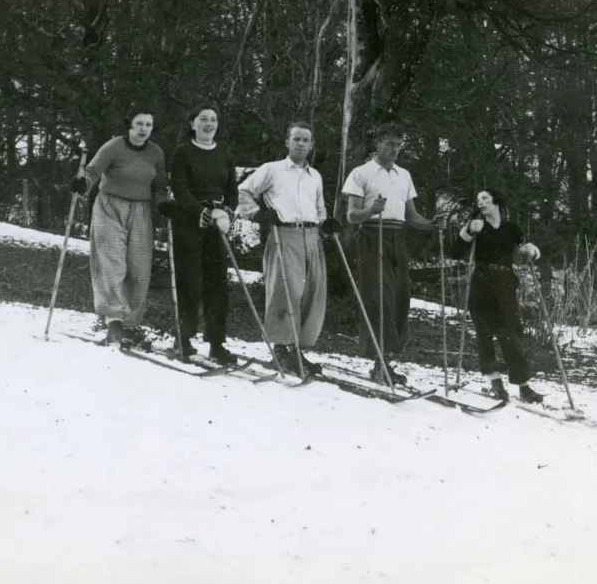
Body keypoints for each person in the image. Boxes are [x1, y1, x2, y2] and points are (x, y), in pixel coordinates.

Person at [342, 122, 445, 385]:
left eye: (399, 145)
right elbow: (352, 216)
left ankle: (386, 360)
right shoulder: (361, 173)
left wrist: (433, 224)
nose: (395, 149)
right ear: (377, 143)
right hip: (372, 236)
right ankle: (379, 363)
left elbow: (412, 216)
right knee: (379, 298)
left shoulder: (404, 175)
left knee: (399, 297)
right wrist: (369, 210)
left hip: (397, 238)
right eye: (390, 144)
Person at [237, 122, 340, 376]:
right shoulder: (271, 169)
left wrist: (326, 223)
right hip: (284, 233)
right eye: (296, 139)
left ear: (312, 145)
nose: (301, 144)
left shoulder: (314, 176)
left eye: (306, 140)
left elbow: (318, 207)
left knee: (311, 292)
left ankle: (297, 349)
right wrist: (258, 214)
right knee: (286, 290)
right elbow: (243, 191)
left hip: (311, 236)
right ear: (287, 142)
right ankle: (281, 348)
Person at [71, 107, 166, 346]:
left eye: (148, 125)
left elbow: (161, 183)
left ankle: (130, 325)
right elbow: (92, 171)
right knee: (111, 261)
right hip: (110, 206)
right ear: (130, 125)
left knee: (139, 266)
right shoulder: (114, 146)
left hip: (142, 211)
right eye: (139, 124)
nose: (144, 129)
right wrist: (83, 184)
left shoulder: (156, 152)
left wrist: (163, 202)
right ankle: (113, 322)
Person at [156, 102, 239, 364]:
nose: (208, 124)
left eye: (213, 120)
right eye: (203, 119)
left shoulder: (224, 154)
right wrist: (197, 212)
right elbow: (179, 188)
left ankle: (216, 343)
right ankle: (183, 339)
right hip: (189, 223)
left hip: (216, 225)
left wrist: (226, 212)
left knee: (217, 285)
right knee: (190, 281)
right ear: (193, 124)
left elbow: (232, 191)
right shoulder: (183, 152)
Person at [449, 187, 544, 404]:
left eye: (485, 198)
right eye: (478, 199)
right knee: (484, 334)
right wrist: (468, 232)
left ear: (496, 201)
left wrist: (532, 251)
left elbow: (527, 246)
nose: (480, 202)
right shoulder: (476, 226)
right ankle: (495, 383)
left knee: (511, 333)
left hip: (505, 284)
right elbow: (454, 253)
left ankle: (523, 386)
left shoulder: (511, 228)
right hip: (482, 282)